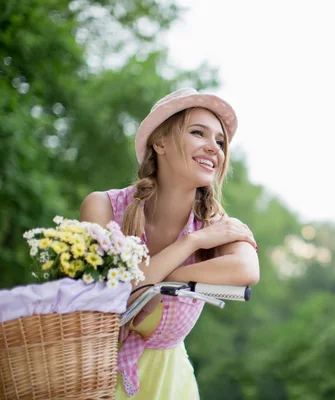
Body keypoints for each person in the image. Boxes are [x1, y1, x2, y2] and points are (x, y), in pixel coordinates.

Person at [79, 88, 260, 399]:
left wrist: (165, 277)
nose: (213, 148)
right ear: (159, 143)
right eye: (198, 133)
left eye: (219, 141)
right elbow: (116, 295)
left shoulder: (213, 220)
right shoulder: (104, 207)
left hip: (170, 385)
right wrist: (192, 243)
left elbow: (246, 269)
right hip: (94, 374)